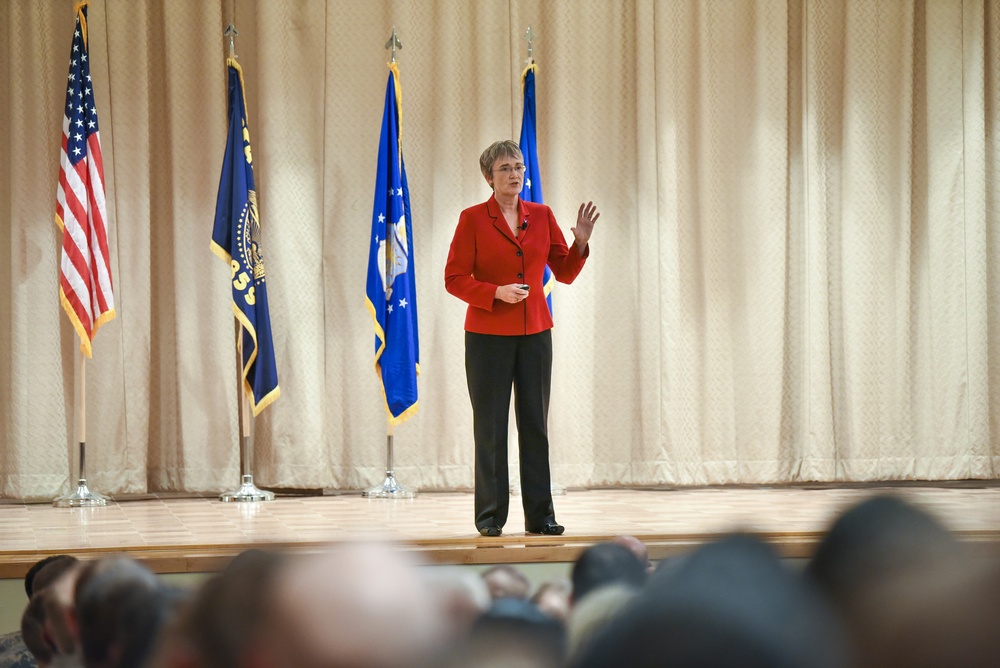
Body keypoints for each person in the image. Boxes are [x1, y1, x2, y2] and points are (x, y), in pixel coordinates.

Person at [445, 139, 599, 537]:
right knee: (491, 426)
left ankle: (541, 516)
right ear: (488, 178)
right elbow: (454, 278)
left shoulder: (542, 215)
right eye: (505, 169)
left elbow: (563, 272)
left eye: (518, 166)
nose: (514, 174)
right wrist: (494, 292)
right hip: (487, 335)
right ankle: (491, 517)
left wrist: (580, 241)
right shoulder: (473, 219)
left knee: (535, 425)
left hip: (535, 334)